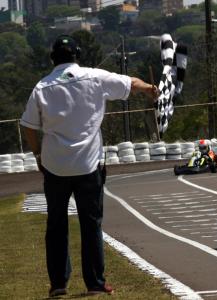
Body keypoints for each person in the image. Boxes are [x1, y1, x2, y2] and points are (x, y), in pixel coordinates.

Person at [20, 35, 158, 297]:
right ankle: (94, 283)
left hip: (55, 165)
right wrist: (151, 88)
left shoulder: (41, 87)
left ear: (53, 59)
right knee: (91, 223)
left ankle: (58, 284)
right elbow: (131, 84)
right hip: (88, 164)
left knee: (56, 225)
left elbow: (27, 125)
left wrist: (37, 154)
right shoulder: (94, 76)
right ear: (77, 56)